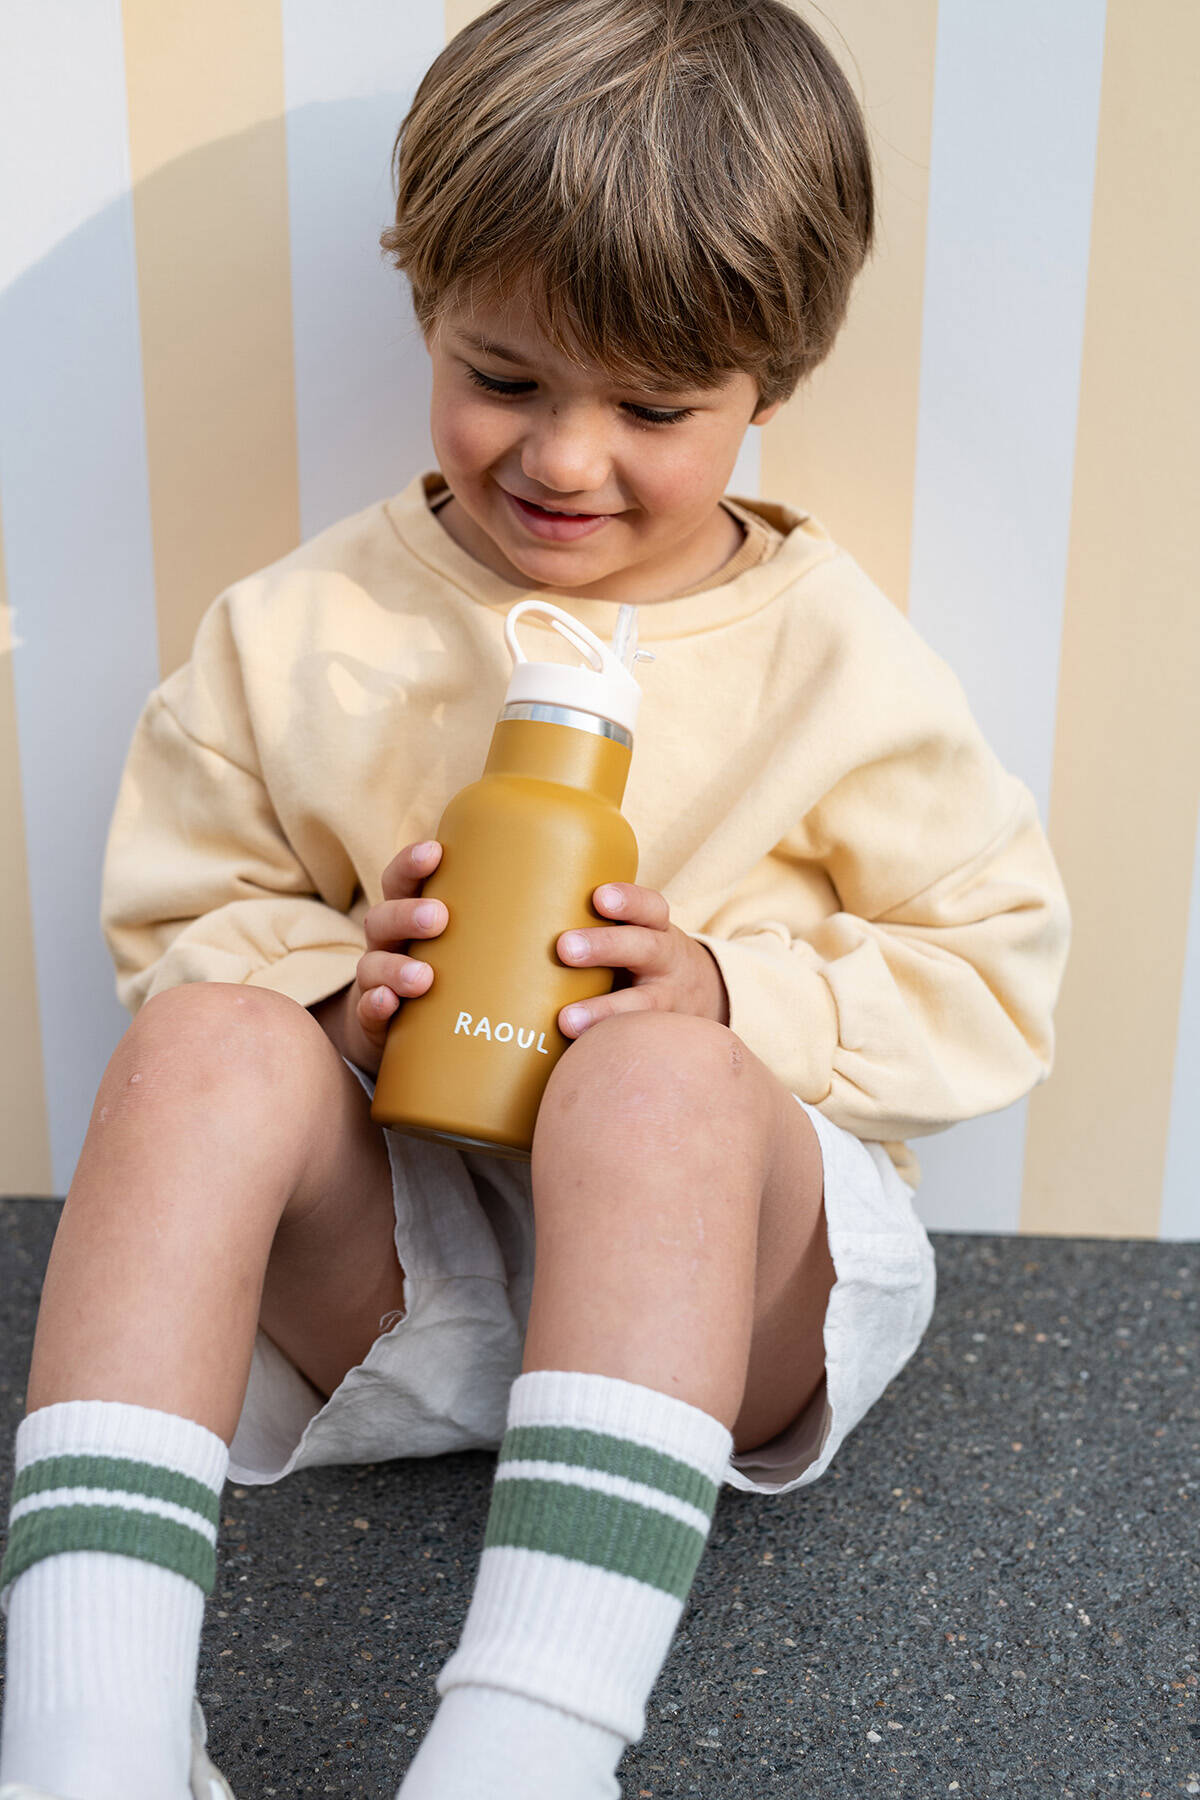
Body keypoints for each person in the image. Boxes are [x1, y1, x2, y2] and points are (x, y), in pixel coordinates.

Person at [0, 1, 1072, 1796]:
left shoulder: (832, 656)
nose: (565, 461)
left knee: (651, 1085)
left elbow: (995, 970)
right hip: (406, 1286)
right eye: (505, 377)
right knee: (197, 1050)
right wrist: (339, 983)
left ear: (769, 387)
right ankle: (83, 1735)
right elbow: (186, 912)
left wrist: (736, 999)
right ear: (429, 310)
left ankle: (527, 1753)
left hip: (713, 1300)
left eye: (654, 408)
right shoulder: (305, 628)